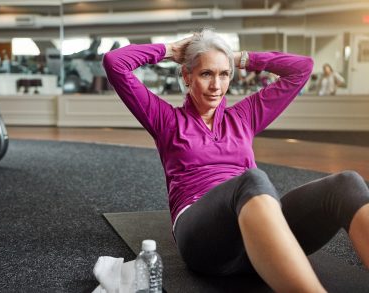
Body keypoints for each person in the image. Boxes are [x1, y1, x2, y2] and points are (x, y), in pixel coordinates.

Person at [102, 28, 369, 292]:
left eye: (224, 74)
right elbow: (115, 63)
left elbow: (302, 68)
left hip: (257, 226)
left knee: (347, 183)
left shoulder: (243, 116)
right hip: (205, 239)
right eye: (206, 73)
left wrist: (239, 57)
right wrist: (171, 50)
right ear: (186, 75)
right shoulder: (167, 121)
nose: (216, 86)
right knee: (252, 179)